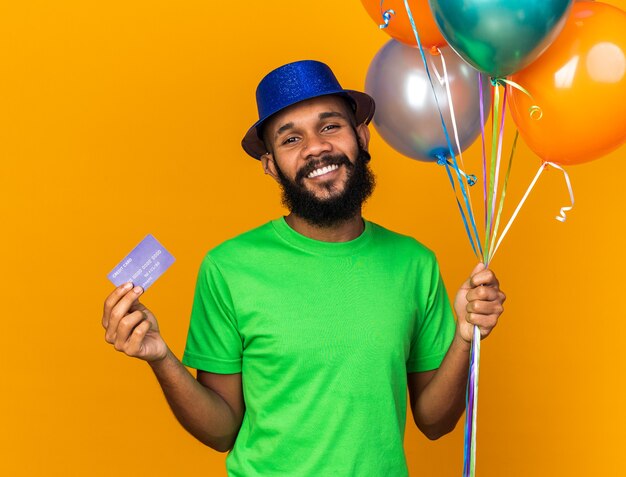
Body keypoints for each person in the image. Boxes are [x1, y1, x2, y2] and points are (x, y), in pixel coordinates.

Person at [102, 60, 505, 476]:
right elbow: (222, 431)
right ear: (271, 164)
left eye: (330, 126)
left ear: (361, 136)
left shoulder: (414, 262)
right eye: (291, 138)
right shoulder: (228, 268)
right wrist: (160, 357)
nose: (315, 147)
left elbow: (435, 423)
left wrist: (464, 337)